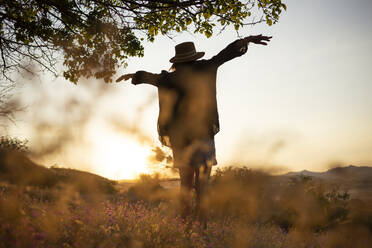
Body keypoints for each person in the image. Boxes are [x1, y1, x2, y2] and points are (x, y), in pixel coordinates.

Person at [117, 34, 272, 226]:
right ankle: (201, 228)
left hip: (181, 139)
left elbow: (151, 78)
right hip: (203, 135)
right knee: (203, 186)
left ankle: (186, 227)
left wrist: (134, 76)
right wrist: (247, 39)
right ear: (194, 57)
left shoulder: (169, 78)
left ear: (177, 61)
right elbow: (225, 54)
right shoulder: (205, 68)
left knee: (185, 186)